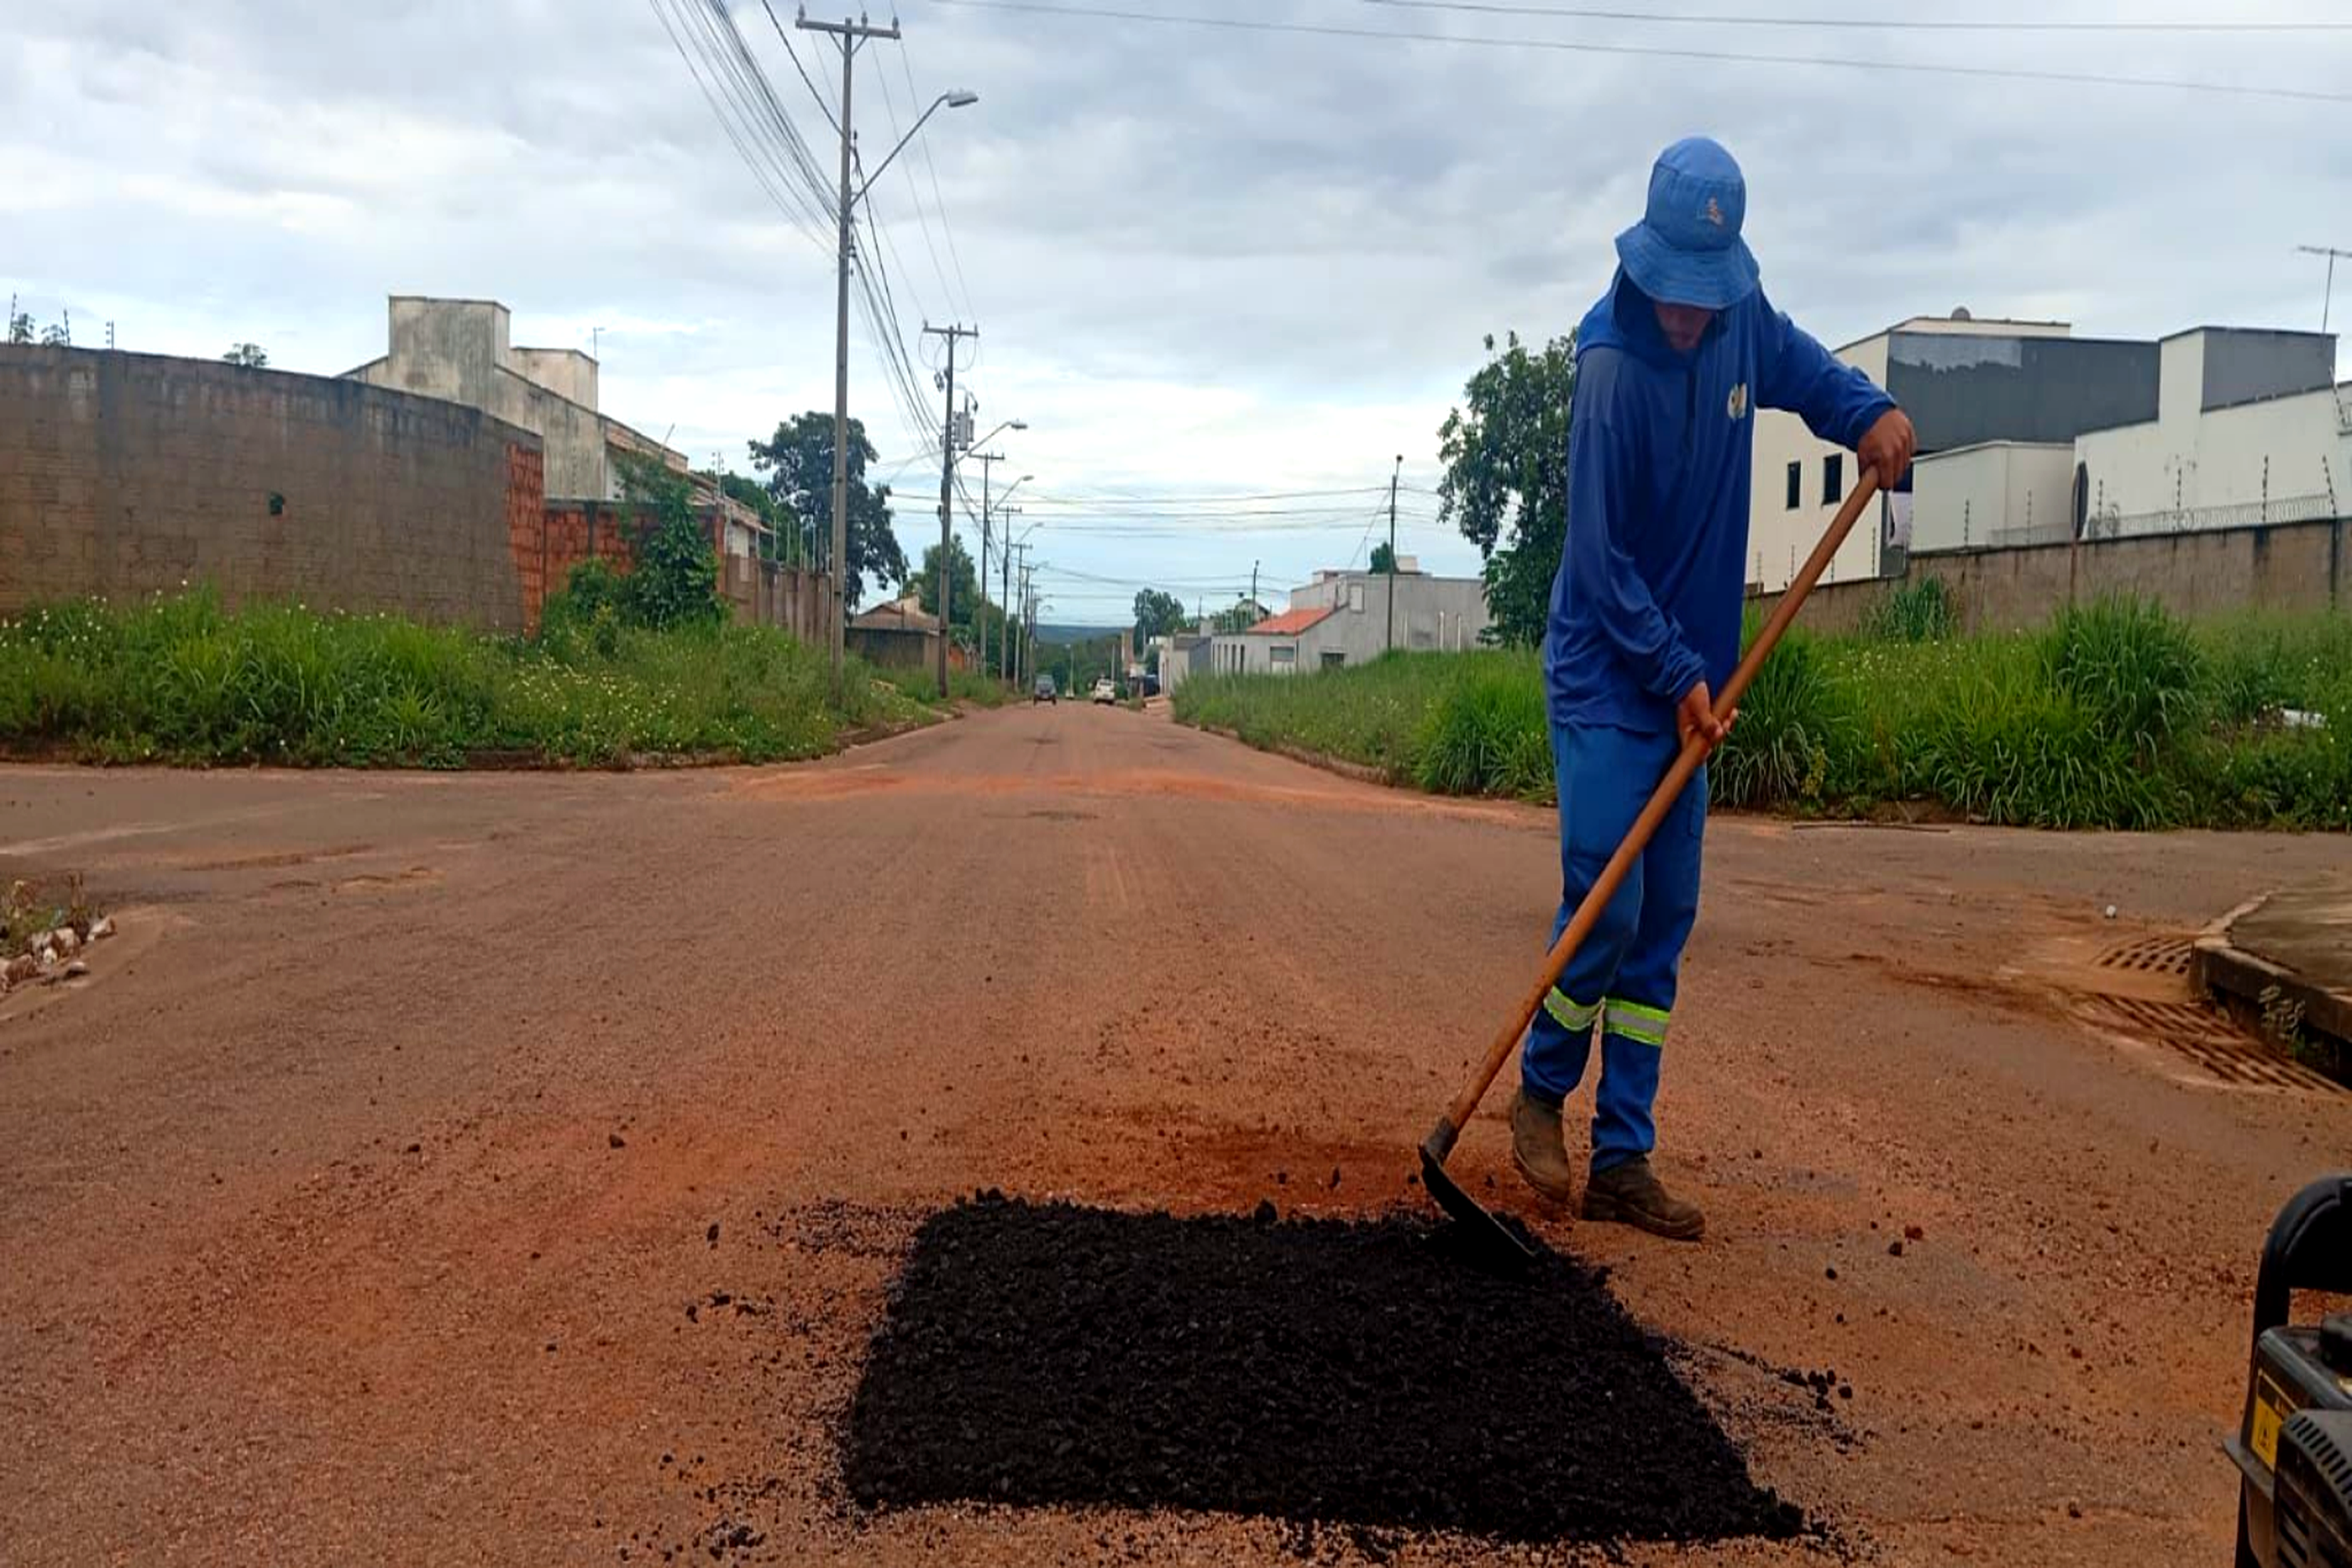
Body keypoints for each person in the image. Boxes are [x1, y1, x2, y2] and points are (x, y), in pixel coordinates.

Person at [1512, 136, 1915, 1240]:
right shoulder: (1607, 372)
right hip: (1608, 674)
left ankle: (1624, 1160)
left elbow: (1803, 371)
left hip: (1696, 680)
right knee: (1610, 899)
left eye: (1706, 298)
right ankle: (1541, 1095)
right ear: (1643, 270)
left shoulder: (1741, 323)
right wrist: (1678, 672)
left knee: (1664, 926)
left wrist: (1867, 411)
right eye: (1675, 298)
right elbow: (1597, 567)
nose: (1690, 317)